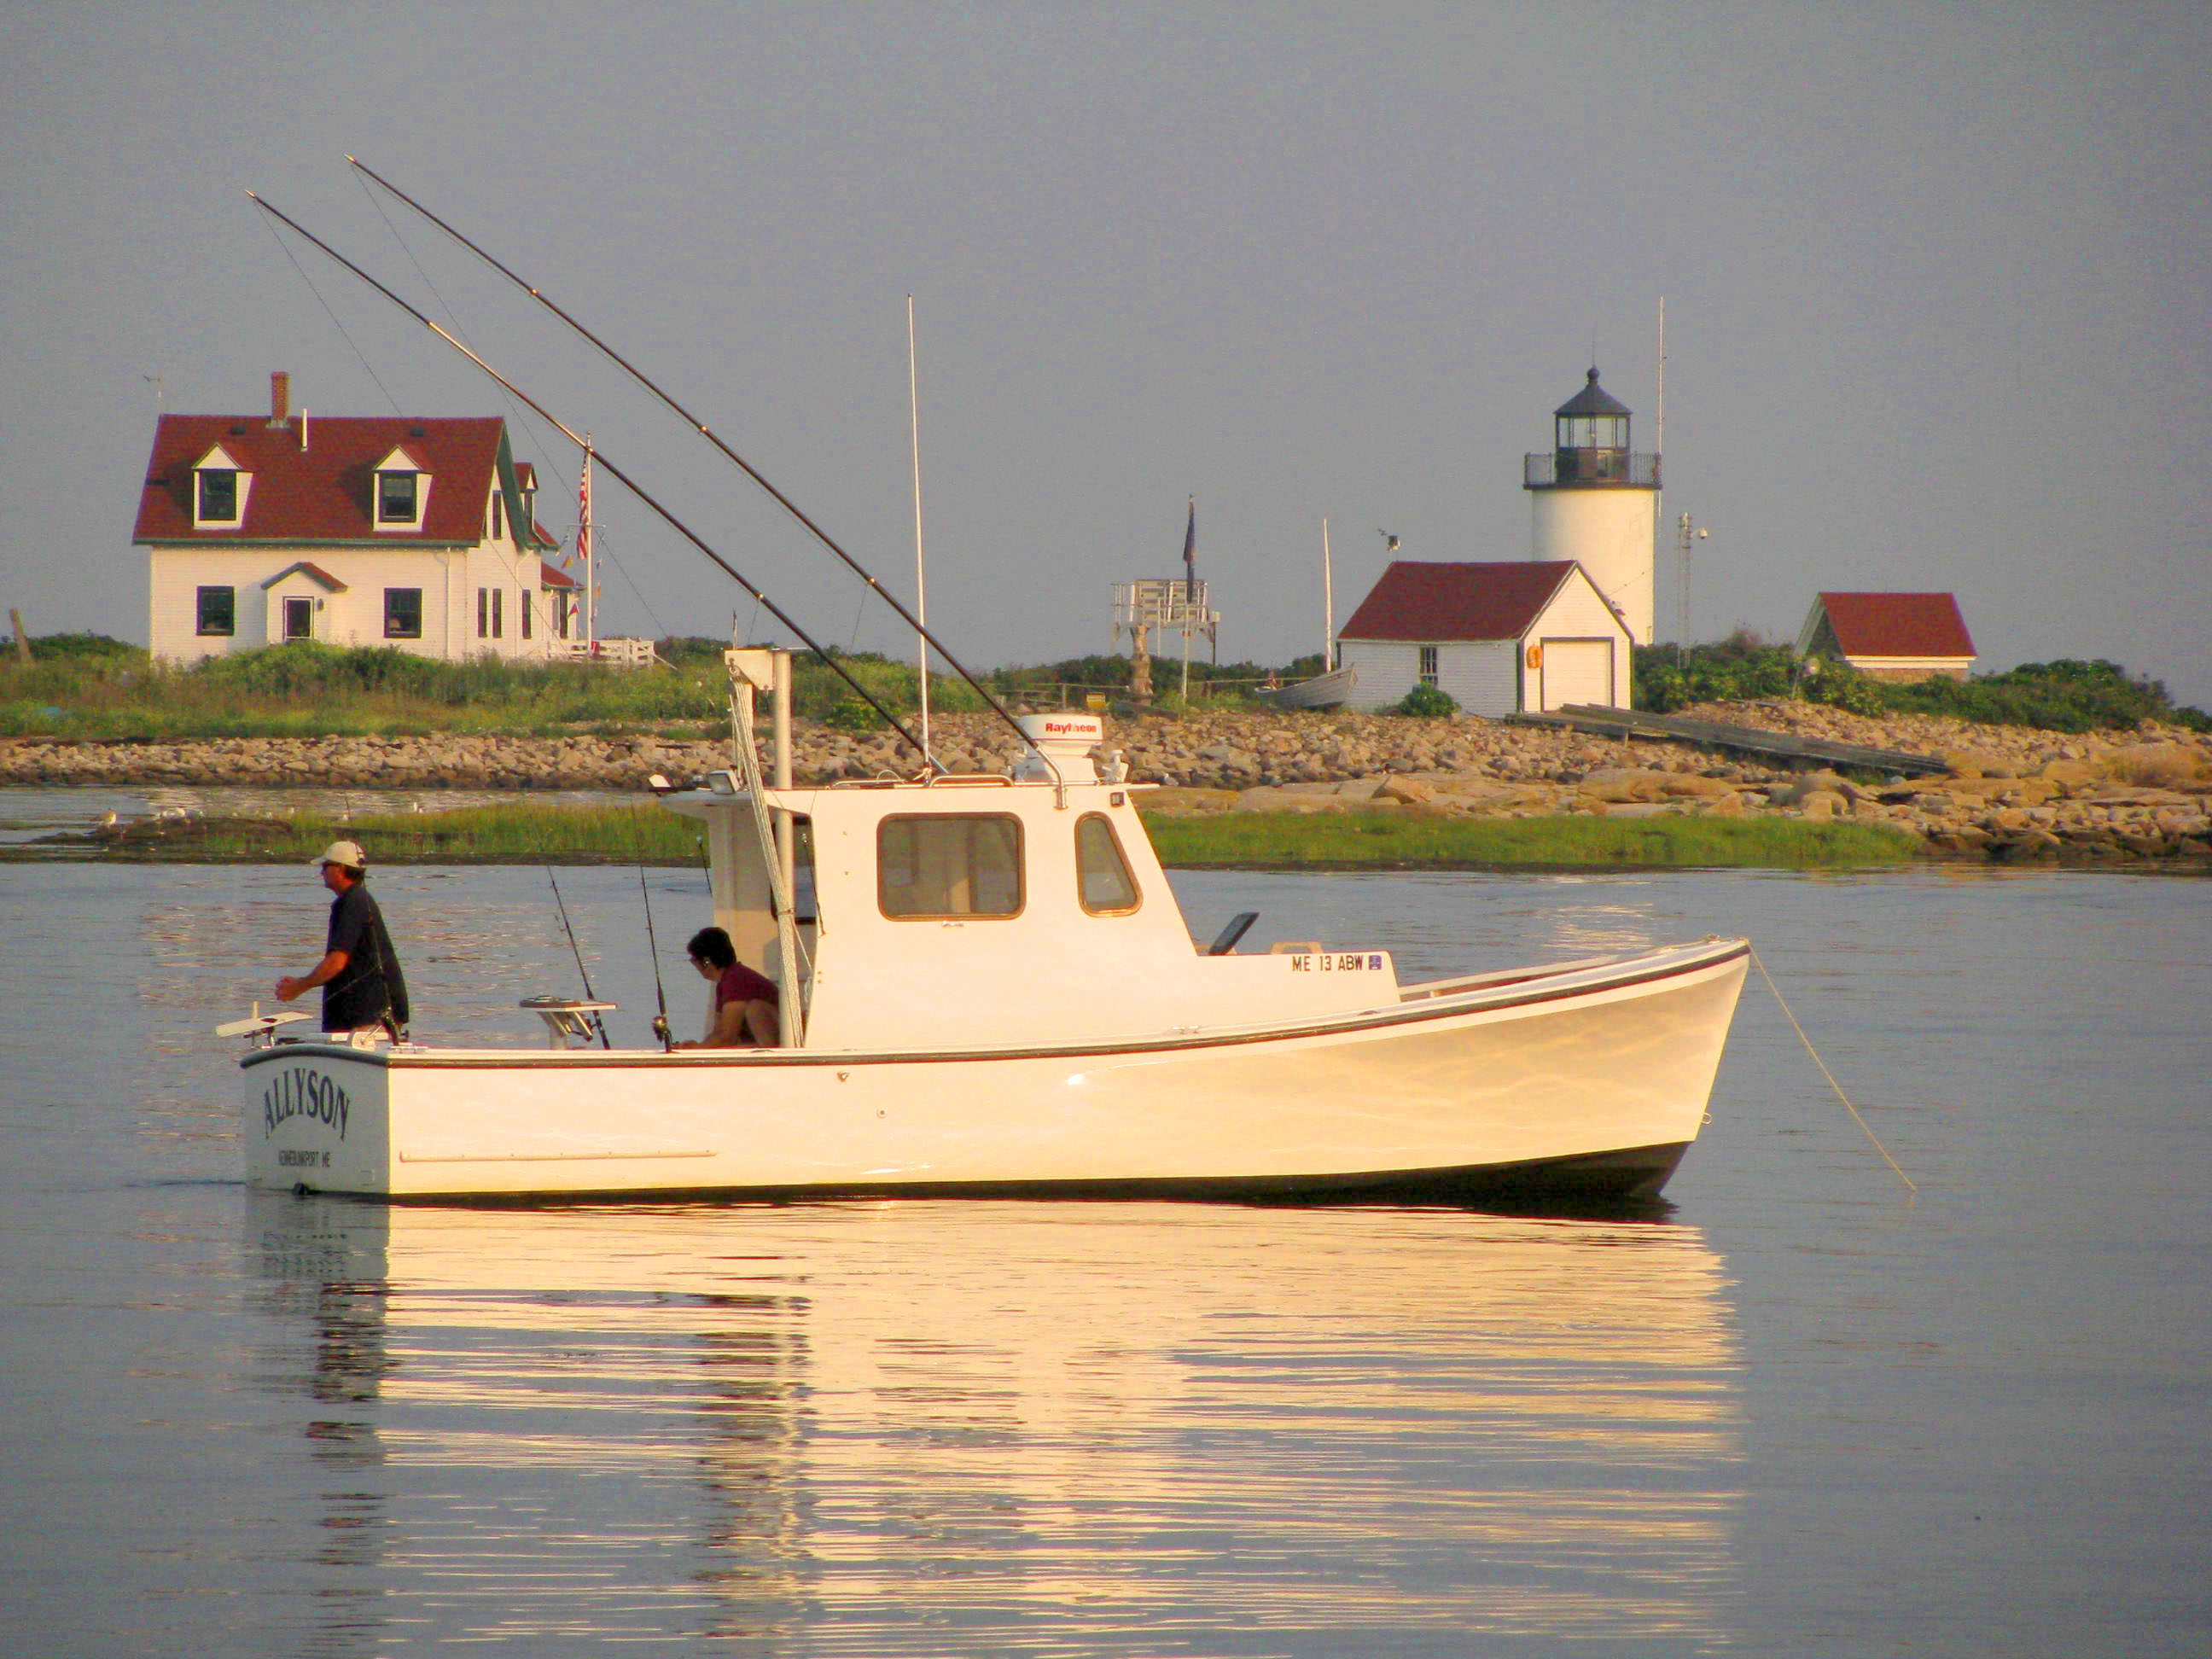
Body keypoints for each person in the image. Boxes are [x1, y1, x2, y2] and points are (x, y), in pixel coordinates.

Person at [274, 841, 410, 1038]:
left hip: (368, 1016)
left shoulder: (351, 903)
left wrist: (300, 985)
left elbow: (337, 962)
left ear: (340, 868)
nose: (321, 872)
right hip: (373, 1013)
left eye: (325, 866)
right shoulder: (358, 899)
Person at [678, 926, 779, 1048]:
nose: (694, 964)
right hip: (761, 1043)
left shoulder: (736, 979)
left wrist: (699, 1049)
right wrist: (700, 1047)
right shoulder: (726, 981)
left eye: (694, 959)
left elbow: (727, 1036)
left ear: (706, 962)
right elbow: (719, 1032)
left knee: (754, 1007)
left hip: (773, 1047)